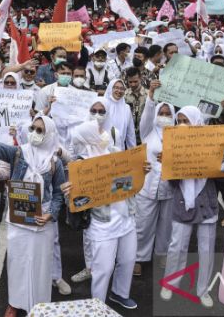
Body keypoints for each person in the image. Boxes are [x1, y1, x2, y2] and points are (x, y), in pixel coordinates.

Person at [0, 113, 65, 317]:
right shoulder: (19, 153)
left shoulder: (55, 162)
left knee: (40, 265)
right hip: (18, 221)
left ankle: (39, 306)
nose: (34, 133)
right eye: (33, 128)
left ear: (49, 134)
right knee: (17, 262)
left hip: (42, 222)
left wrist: (50, 214)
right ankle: (15, 303)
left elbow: (59, 194)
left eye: (40, 130)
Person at [64, 115, 148, 311]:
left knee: (127, 260)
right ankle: (98, 305)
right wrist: (70, 192)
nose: (104, 134)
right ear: (89, 137)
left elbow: (128, 183)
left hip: (126, 217)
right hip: (102, 225)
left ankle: (120, 293)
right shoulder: (82, 165)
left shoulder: (118, 154)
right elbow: (76, 200)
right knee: (104, 268)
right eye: (99, 132)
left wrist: (142, 172)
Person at [159, 106, 220, 308]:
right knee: (177, 246)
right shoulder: (173, 144)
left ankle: (203, 289)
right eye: (180, 121)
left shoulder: (212, 144)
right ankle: (170, 283)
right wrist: (168, 163)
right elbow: (171, 182)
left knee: (206, 248)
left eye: (187, 120)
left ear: (197, 121)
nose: (183, 125)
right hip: (182, 200)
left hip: (207, 202)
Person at [133, 80, 175, 276]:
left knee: (167, 225)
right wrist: (150, 94)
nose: (164, 117)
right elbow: (148, 113)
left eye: (168, 114)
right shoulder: (148, 131)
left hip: (170, 188)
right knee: (143, 224)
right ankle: (139, 257)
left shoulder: (179, 135)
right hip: (147, 186)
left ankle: (162, 254)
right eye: (161, 113)